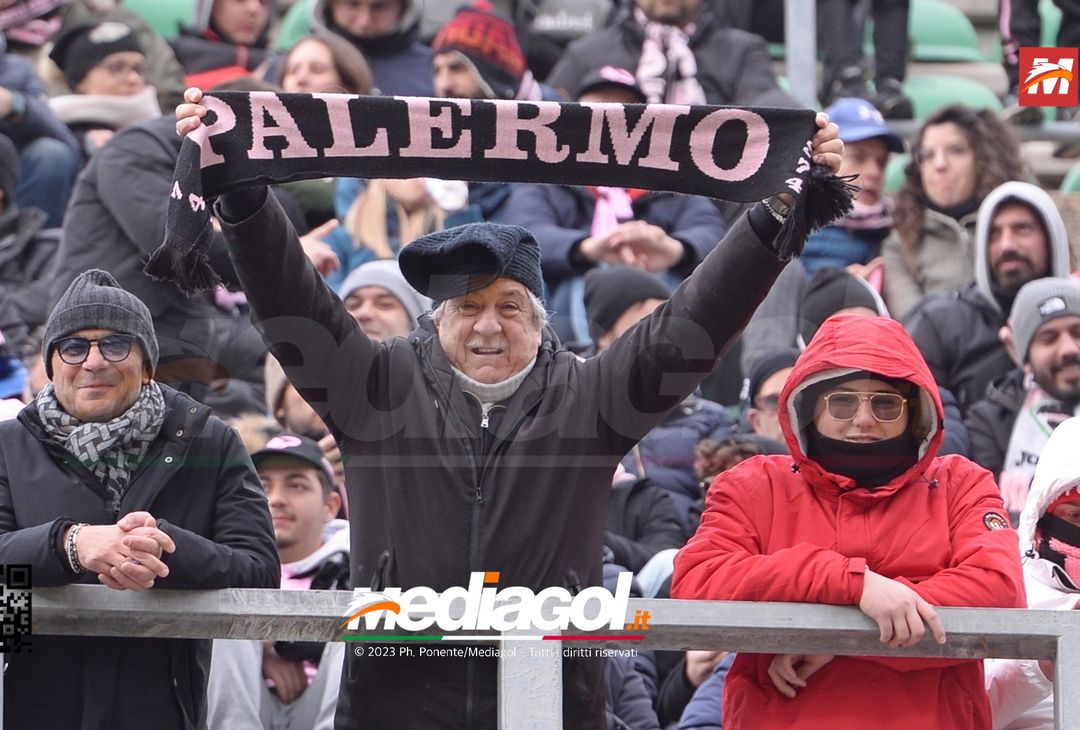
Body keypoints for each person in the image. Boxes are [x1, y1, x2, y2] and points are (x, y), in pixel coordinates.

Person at [176, 86, 844, 729]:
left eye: (509, 307)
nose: (488, 327)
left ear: (541, 320)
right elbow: (288, 294)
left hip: (546, 694)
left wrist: (777, 212)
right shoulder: (374, 388)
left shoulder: (593, 398)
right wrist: (240, 191)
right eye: (468, 308)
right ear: (437, 321)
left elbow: (700, 313)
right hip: (396, 697)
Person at [672, 314, 1026, 729]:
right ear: (809, 407)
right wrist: (851, 583)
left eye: (885, 403)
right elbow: (700, 580)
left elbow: (998, 591)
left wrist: (835, 638)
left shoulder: (960, 484)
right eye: (841, 401)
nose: (863, 419)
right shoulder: (755, 484)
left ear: (915, 414)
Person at [0, 269, 279, 729]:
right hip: (25, 701)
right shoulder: (7, 445)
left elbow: (260, 573)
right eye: (73, 347)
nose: (93, 361)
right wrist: (71, 543)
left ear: (147, 362)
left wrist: (165, 548)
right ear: (51, 366)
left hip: (160, 704)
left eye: (115, 344)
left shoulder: (210, 441)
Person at [501, 65, 727, 344]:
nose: (609, 123)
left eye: (624, 113)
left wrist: (674, 250)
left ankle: (666, 367)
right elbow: (522, 235)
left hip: (660, 281)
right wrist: (589, 248)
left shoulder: (671, 180)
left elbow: (711, 230)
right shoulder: (548, 179)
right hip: (568, 298)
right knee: (590, 276)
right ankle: (589, 363)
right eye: (595, 113)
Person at [207, 433, 348, 730]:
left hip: (327, 712)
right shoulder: (222, 559)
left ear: (331, 505)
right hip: (246, 712)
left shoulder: (360, 564)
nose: (276, 499)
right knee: (223, 611)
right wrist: (263, 646)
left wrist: (285, 642)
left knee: (365, 613)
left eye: (296, 485)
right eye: (263, 485)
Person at [904, 180, 1072, 417]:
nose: (1006, 245)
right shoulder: (938, 322)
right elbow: (922, 417)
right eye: (993, 233)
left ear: (1051, 237)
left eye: (1022, 229)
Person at [882, 105, 1024, 319]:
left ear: (984, 158)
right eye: (927, 155)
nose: (939, 164)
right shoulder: (899, 244)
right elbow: (914, 325)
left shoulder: (1018, 226)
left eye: (956, 150)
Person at [985, 416, 1080, 729]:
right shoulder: (998, 578)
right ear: (1043, 511)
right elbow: (959, 710)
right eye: (1077, 515)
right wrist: (1046, 659)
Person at [966, 277, 1080, 521]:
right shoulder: (990, 420)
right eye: (1049, 339)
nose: (1069, 349)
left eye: (1078, 333)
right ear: (1025, 358)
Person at [546, 0, 796, 108]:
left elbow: (767, 111)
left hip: (718, 194)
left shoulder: (742, 50)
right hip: (606, 195)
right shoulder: (587, 51)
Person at [800, 97, 904, 276]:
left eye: (882, 162)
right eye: (859, 158)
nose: (874, 172)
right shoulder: (791, 233)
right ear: (822, 160)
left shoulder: (902, 230)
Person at [47, 21, 162, 162]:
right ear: (81, 80)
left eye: (139, 69)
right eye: (117, 67)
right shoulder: (52, 130)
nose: (133, 79)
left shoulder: (168, 129)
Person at [309, 0, 434, 96]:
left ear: (403, 8)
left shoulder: (436, 69)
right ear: (329, 5)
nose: (364, 21)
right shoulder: (300, 62)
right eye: (352, 4)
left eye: (379, 7)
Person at [170, 0, 276, 89]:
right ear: (211, 6)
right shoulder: (171, 54)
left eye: (263, 1)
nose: (254, 9)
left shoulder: (283, 62)